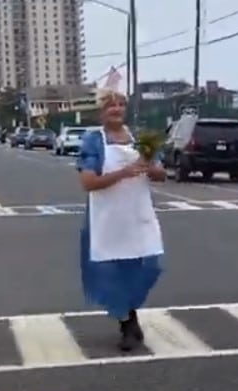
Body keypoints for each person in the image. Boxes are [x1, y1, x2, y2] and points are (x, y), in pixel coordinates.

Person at [77, 88, 167, 351]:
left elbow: (161, 174)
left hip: (138, 216)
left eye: (120, 104)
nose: (115, 109)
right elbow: (88, 181)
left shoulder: (138, 138)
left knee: (144, 269)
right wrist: (124, 172)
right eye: (109, 105)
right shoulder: (94, 141)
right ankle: (128, 323)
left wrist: (150, 167)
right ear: (101, 112)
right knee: (110, 275)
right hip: (106, 220)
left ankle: (131, 315)